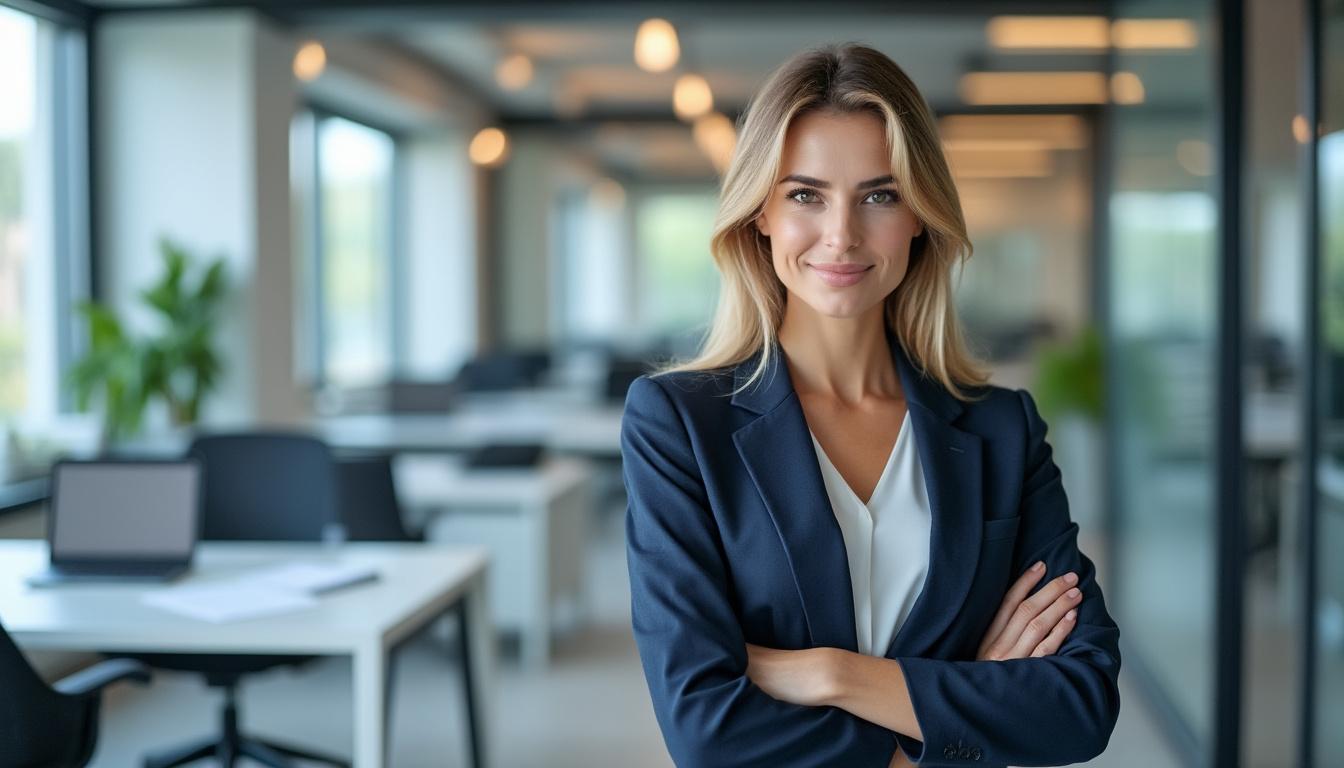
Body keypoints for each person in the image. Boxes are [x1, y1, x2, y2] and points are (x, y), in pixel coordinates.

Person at [620, 43, 1121, 767]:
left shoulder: (1001, 427)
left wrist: (834, 675)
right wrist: (959, 713)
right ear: (760, 213)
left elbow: (1080, 704)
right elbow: (704, 729)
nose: (842, 235)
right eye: (805, 194)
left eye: (879, 195)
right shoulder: (677, 424)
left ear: (920, 215)